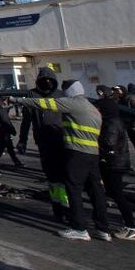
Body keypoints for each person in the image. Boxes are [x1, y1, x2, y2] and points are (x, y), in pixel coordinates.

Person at [12, 79, 111, 241]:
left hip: (77, 153)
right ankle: (103, 228)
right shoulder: (93, 109)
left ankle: (79, 227)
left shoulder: (73, 104)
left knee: (73, 189)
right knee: (96, 191)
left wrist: (16, 100)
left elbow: (44, 104)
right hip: (93, 154)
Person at [96, 85, 135, 241]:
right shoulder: (115, 122)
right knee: (114, 193)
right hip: (117, 162)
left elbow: (108, 143)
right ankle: (131, 224)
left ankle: (131, 226)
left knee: (116, 194)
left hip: (114, 163)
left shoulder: (110, 125)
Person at [0, 94, 23, 167]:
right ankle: (14, 161)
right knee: (5, 145)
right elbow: (4, 118)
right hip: (2, 129)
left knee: (4, 146)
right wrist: (12, 129)